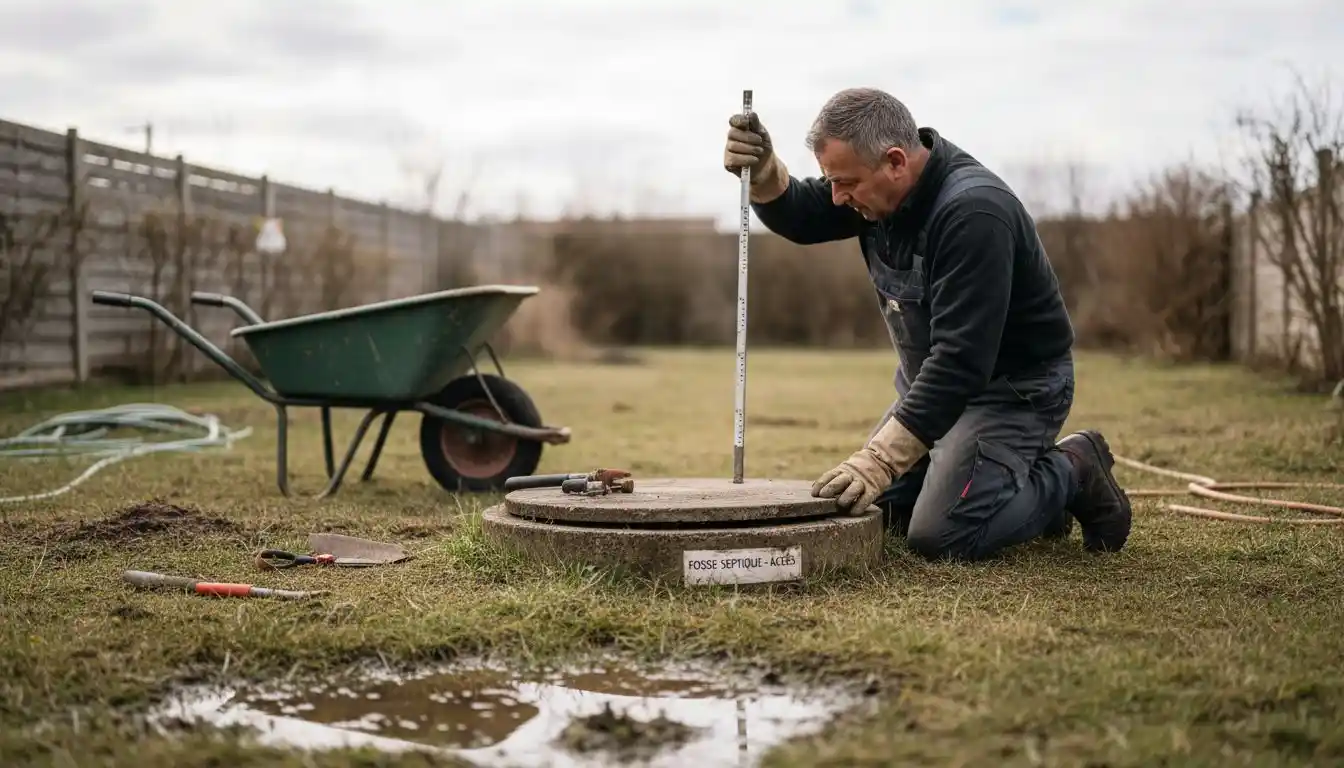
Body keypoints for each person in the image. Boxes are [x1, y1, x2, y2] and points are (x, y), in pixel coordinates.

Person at [721, 87, 1132, 561]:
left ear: (895, 161)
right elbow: (801, 214)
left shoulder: (974, 212)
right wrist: (765, 171)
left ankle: (1074, 468)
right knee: (881, 515)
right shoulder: (877, 193)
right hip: (933, 394)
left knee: (942, 535)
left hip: (1015, 392)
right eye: (831, 181)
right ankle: (1005, 482)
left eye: (845, 182)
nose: (837, 197)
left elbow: (960, 360)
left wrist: (879, 460)